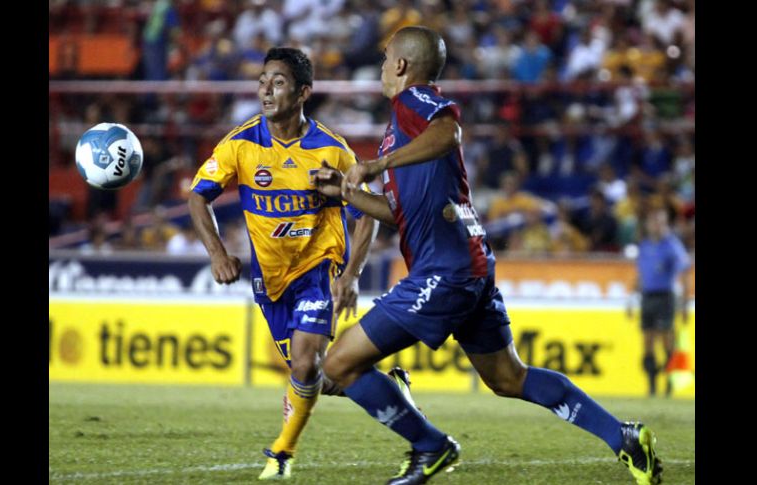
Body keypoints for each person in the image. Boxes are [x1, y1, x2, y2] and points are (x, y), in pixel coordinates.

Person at [314, 26, 663, 485]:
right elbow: (400, 215)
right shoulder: (399, 131)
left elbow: (450, 131)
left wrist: (377, 165)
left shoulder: (413, 102)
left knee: (337, 364)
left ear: (400, 65)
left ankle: (430, 445)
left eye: (384, 60)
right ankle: (623, 438)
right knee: (507, 377)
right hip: (469, 265)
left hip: (444, 272)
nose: (381, 68)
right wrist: (346, 192)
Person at [188, 47, 416, 480]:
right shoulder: (241, 144)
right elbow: (198, 195)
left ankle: (281, 455)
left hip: (318, 268)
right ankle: (394, 391)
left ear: (303, 92)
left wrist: (351, 274)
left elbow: (366, 210)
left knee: (306, 363)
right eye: (262, 81)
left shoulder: (331, 151)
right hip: (270, 281)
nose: (266, 91)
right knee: (319, 376)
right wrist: (217, 252)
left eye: (278, 82)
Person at [627, 209, 691, 397]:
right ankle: (652, 386)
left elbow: (685, 272)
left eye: (659, 222)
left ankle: (669, 385)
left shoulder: (672, 245)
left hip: (666, 297)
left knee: (667, 341)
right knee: (647, 342)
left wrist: (685, 303)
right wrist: (631, 299)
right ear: (648, 224)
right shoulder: (645, 245)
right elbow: (641, 275)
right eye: (653, 222)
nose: (656, 226)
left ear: (665, 224)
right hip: (647, 297)